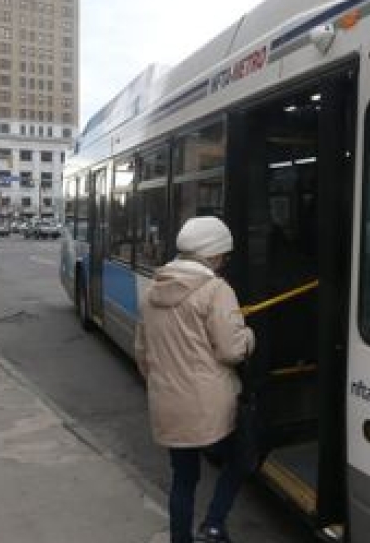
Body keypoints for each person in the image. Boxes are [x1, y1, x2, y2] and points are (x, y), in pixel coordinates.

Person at [132, 216, 255, 543]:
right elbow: (231, 351)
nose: (224, 263)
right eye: (223, 256)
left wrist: (164, 385)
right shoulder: (216, 290)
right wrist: (250, 337)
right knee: (241, 460)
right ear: (213, 255)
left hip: (169, 405)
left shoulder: (151, 290)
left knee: (184, 479)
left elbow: (143, 354)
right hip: (210, 407)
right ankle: (214, 524)